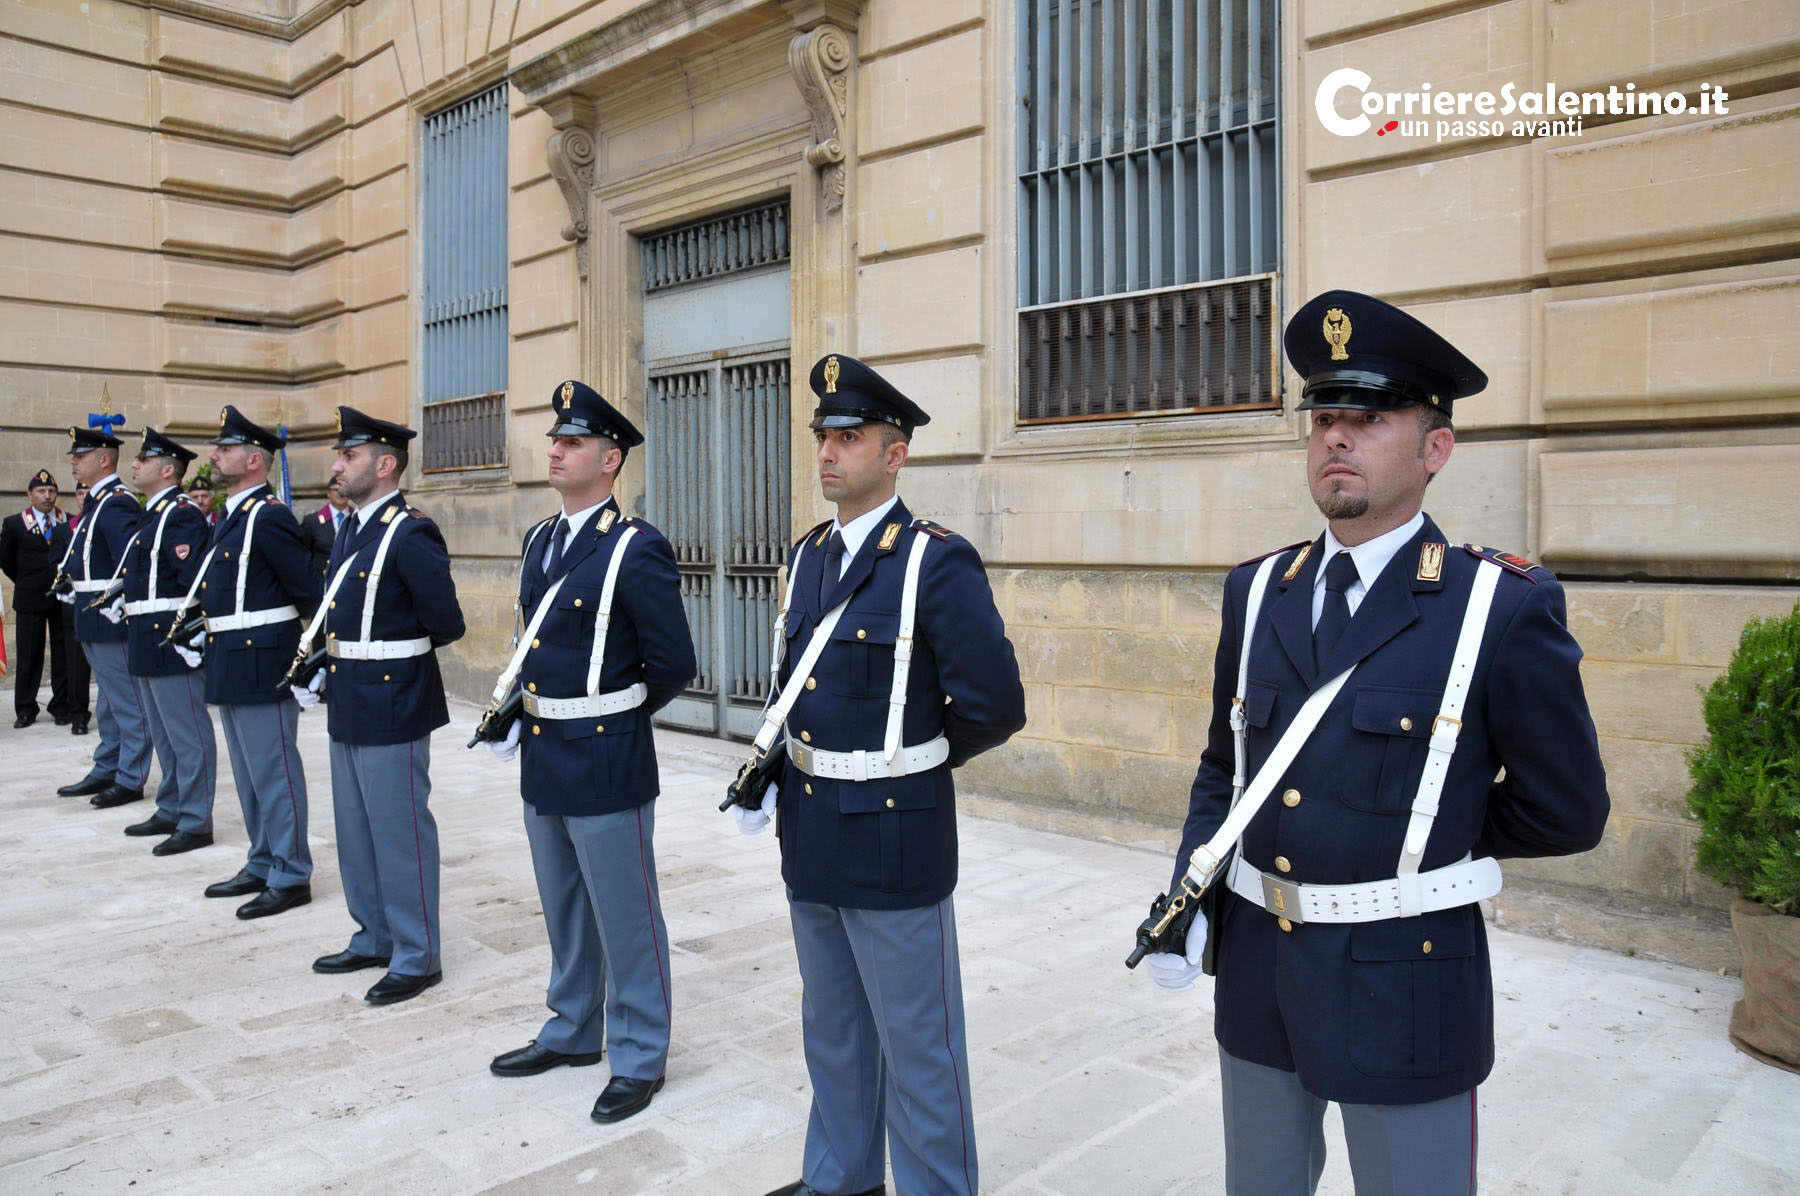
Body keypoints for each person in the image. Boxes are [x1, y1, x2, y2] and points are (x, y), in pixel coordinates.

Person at [1143, 290, 1611, 1195]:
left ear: (1436, 448)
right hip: (1260, 971)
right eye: (1324, 416)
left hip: (1405, 978)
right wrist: (1188, 891)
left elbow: (1567, 809)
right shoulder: (1257, 593)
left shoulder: (1499, 606)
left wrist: (1432, 831)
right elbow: (1224, 770)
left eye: (1369, 417)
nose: (1336, 439)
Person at [742, 354, 1026, 1196]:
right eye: (823, 436)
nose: (829, 452)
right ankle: (842, 1177)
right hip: (813, 824)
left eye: (850, 437)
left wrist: (908, 763)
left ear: (894, 454)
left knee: (918, 1043)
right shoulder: (808, 555)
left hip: (897, 830)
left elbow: (993, 705)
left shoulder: (937, 561)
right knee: (832, 1027)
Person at [482, 379, 695, 1125]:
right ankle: (573, 1028)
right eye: (555, 439)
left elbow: (672, 662)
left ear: (609, 460)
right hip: (545, 750)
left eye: (571, 442)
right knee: (565, 905)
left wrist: (609, 716)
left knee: (625, 912)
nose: (555, 450)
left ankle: (638, 1052)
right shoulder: (543, 539)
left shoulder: (637, 548)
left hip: (605, 754)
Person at [304, 406, 464, 1005]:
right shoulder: (350, 526)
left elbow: (446, 622)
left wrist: (384, 652)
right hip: (350, 693)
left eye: (349, 456)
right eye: (340, 455)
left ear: (385, 463)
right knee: (355, 827)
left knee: (399, 830)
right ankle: (373, 933)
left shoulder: (409, 529)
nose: (338, 464)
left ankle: (417, 953)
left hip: (394, 696)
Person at [189, 406, 322, 918]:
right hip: (230, 660)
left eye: (223, 449)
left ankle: (291, 873)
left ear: (253, 460)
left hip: (264, 662)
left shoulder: (269, 516)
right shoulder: (234, 515)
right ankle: (263, 858)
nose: (213, 456)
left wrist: (303, 659)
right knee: (247, 773)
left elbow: (306, 592)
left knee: (274, 771)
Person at [106, 429, 217, 855]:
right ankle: (171, 806)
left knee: (187, 732)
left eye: (143, 459)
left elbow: (192, 585)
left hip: (170, 640)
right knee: (164, 732)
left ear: (167, 470)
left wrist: (189, 633)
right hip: (144, 638)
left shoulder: (181, 515)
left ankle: (195, 819)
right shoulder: (150, 515)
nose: (133, 464)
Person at [52, 425, 151, 809]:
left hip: (110, 618)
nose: (75, 462)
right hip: (91, 614)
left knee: (127, 702)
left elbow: (131, 564)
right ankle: (108, 765)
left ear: (105, 459)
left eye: (82, 456)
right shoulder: (99, 501)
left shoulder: (118, 502)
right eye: (74, 457)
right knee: (109, 700)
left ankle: (130, 777)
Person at [0, 470, 77, 728]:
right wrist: (25, 581)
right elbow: (6, 560)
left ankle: (61, 705)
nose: (47, 496)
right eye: (41, 491)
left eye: (52, 491)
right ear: (29, 494)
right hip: (30, 596)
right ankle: (25, 707)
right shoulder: (14, 523)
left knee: (62, 652)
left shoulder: (68, 521)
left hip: (61, 597)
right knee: (28, 654)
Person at [300, 476, 351, 581]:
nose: (340, 493)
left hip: (349, 581)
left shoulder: (358, 518)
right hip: (321, 581)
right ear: (328, 493)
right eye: (336, 489)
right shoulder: (313, 521)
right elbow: (304, 555)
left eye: (344, 489)